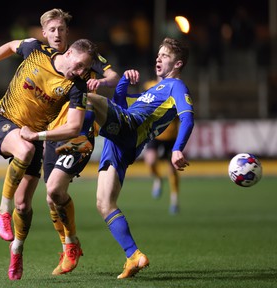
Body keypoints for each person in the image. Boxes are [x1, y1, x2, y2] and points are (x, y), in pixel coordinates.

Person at [0, 37, 98, 280]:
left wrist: (37, 135)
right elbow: (8, 46)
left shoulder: (77, 86)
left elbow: (73, 127)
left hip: (32, 137)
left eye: (85, 68)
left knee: (24, 205)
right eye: (79, 65)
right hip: (3, 120)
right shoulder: (37, 50)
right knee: (24, 152)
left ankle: (17, 249)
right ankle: (2, 211)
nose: (81, 72)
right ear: (69, 53)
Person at [87, 37, 194, 279]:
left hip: (130, 130)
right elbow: (120, 105)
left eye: (165, 56)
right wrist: (124, 80)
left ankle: (72, 143)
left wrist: (178, 148)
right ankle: (134, 255)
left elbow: (187, 117)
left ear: (178, 64)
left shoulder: (176, 87)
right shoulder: (154, 90)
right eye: (158, 54)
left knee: (85, 99)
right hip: (119, 143)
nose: (158, 58)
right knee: (104, 203)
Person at [39, 8, 120, 275]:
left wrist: (102, 82)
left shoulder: (84, 56)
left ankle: (70, 245)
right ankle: (69, 245)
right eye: (53, 30)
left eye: (61, 30)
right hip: (52, 133)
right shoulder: (43, 58)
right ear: (45, 34)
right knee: (53, 199)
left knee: (53, 190)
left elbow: (112, 76)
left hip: (79, 137)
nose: (57, 34)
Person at [143, 117, 181, 215]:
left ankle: (174, 200)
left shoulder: (177, 102)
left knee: (172, 169)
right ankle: (158, 178)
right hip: (155, 134)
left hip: (171, 138)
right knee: (150, 161)